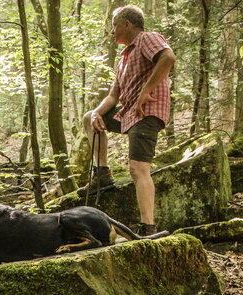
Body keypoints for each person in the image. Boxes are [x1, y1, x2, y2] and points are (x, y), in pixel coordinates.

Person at [81, 4, 176, 235]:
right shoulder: (123, 58)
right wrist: (96, 112)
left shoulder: (146, 38)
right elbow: (114, 95)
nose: (112, 31)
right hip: (129, 114)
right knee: (89, 118)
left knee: (138, 169)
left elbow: (168, 57)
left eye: (114, 26)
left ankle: (148, 226)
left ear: (127, 24)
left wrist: (146, 89)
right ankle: (102, 174)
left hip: (148, 111)